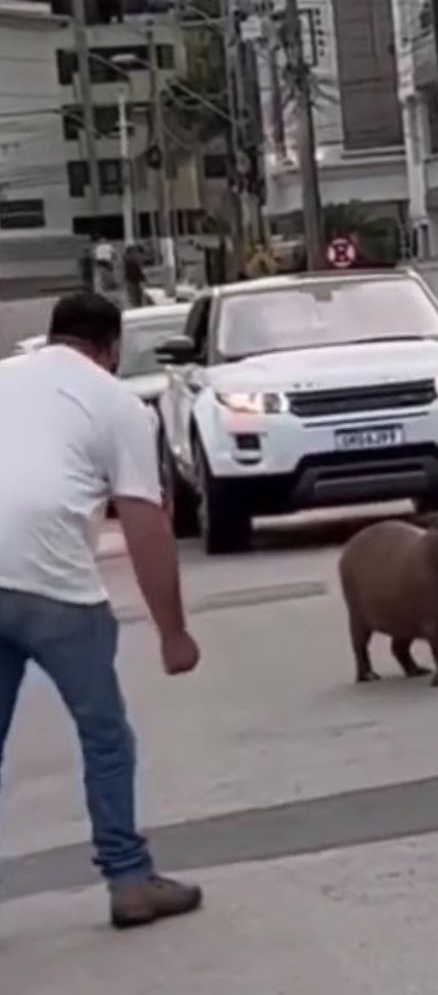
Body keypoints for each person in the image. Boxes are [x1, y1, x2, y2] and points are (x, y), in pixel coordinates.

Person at [0, 291, 203, 929]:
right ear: (110, 349)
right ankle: (129, 879)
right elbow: (144, 523)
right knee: (104, 735)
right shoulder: (118, 404)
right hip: (55, 588)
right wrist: (174, 634)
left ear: (53, 336)